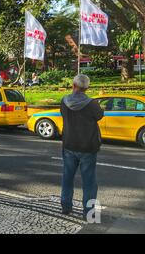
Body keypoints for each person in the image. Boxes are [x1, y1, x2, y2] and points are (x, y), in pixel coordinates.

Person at [60, 74, 104, 219]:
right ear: (87, 88)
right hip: (88, 147)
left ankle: (66, 207)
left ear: (73, 85)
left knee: (67, 178)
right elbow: (99, 115)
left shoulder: (64, 101)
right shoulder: (92, 104)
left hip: (69, 145)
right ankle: (89, 213)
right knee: (89, 182)